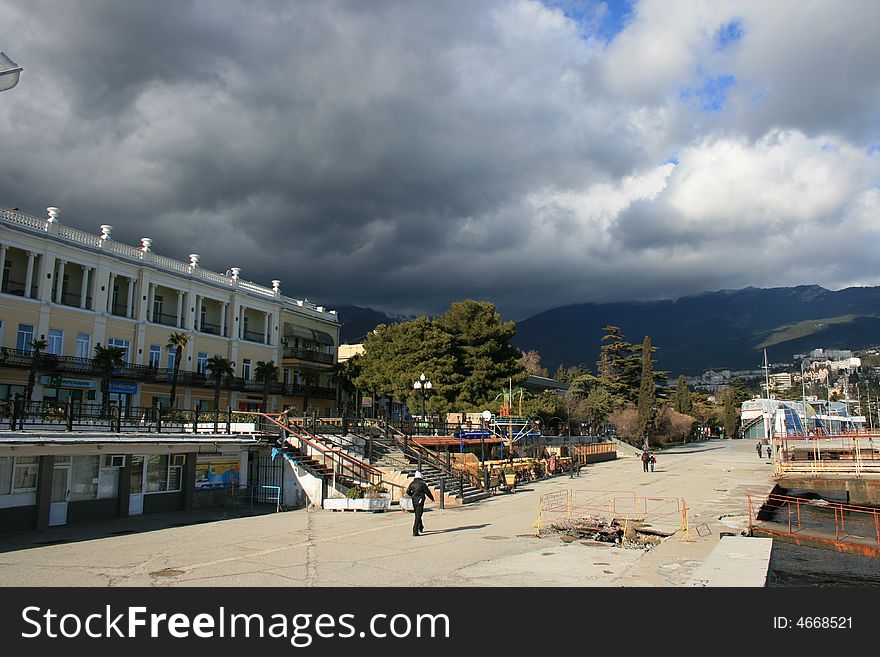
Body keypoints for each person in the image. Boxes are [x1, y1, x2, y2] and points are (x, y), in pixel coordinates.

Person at [405, 471, 434, 537]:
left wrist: (412, 495)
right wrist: (432, 498)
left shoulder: (412, 483)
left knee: (417, 514)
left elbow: (408, 491)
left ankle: (420, 527)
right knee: (418, 515)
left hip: (414, 500)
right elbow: (427, 492)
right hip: (420, 500)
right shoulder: (422, 484)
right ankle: (415, 531)